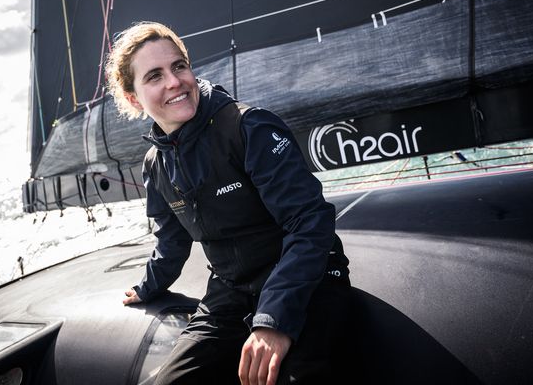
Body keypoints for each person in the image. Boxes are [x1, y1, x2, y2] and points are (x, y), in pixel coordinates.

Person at [107, 22, 351, 385]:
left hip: (309, 282)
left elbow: (310, 222)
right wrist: (148, 287)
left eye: (179, 66)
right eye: (155, 76)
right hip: (230, 292)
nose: (174, 82)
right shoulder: (155, 164)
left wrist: (274, 320)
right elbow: (171, 240)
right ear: (133, 98)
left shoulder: (249, 127)